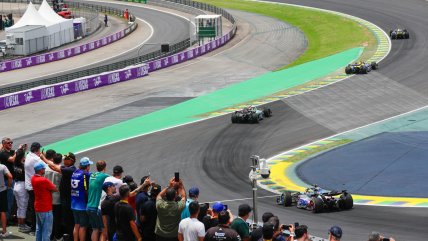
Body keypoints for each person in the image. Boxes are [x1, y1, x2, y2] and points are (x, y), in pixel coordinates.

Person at [32, 161, 58, 241]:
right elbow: (55, 188)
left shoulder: (33, 178)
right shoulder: (43, 180)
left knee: (39, 229)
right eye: (43, 168)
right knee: (46, 231)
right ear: (40, 170)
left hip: (38, 207)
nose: (44, 170)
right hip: (46, 208)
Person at [25, 142, 45, 233]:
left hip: (29, 185)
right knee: (37, 208)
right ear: (37, 150)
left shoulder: (28, 155)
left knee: (32, 207)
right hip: (35, 187)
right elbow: (45, 167)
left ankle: (32, 226)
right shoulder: (37, 159)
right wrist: (43, 157)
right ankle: (35, 228)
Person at [87, 160, 109, 241]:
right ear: (104, 167)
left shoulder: (92, 175)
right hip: (96, 207)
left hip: (89, 206)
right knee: (103, 231)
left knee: (95, 229)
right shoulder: (104, 176)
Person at [71, 157, 92, 241]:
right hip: (82, 205)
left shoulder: (75, 172)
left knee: (76, 225)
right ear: (87, 166)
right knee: (83, 227)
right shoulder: (86, 174)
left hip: (73, 203)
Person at [44, 153, 63, 241]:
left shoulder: (46, 169)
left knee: (49, 218)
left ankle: (50, 236)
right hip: (57, 197)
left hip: (48, 197)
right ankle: (58, 236)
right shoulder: (60, 170)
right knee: (57, 219)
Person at [13, 148, 32, 233]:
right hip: (22, 186)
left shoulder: (15, 163)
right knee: (23, 207)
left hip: (16, 185)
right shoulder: (23, 165)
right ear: (22, 156)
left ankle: (20, 224)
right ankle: (22, 225)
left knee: (19, 207)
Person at [0, 137, 17, 222]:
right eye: (8, 143)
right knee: (8, 200)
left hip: (12, 180)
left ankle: (8, 217)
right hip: (7, 181)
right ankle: (6, 219)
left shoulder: (12, 152)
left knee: (11, 200)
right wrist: (17, 153)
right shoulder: (3, 154)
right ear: (3, 145)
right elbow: (12, 159)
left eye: (11, 142)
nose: (10, 144)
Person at [0, 160, 13, 238]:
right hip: (2, 191)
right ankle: (4, 231)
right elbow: (10, 177)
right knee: (2, 211)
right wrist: (9, 186)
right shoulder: (2, 167)